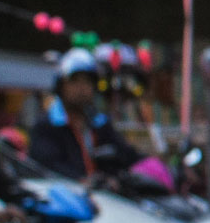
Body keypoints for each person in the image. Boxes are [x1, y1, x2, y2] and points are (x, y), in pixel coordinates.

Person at [29, 48, 137, 184]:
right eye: (75, 81)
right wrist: (83, 181)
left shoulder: (100, 124)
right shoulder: (46, 126)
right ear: (61, 85)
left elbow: (126, 155)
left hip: (108, 201)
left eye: (87, 81)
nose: (82, 88)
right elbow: (48, 166)